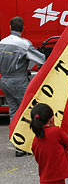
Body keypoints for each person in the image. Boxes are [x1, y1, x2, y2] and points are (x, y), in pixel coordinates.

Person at [0, 17, 45, 156]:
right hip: (19, 80)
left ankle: (17, 145)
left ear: (10, 27)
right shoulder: (24, 44)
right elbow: (41, 59)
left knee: (13, 112)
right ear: (23, 28)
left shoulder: (2, 42)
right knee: (27, 110)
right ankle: (27, 144)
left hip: (4, 80)